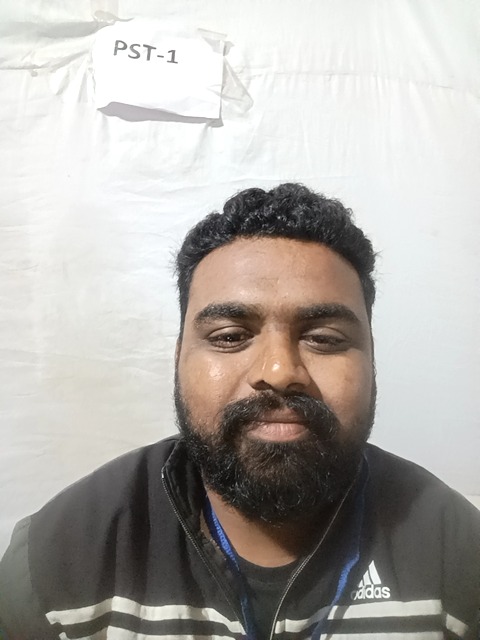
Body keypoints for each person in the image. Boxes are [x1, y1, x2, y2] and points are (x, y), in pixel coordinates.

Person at [0, 183, 479, 639]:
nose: (278, 370)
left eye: (324, 338)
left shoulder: (458, 555)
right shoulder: (57, 562)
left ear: (372, 358)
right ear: (178, 358)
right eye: (230, 336)